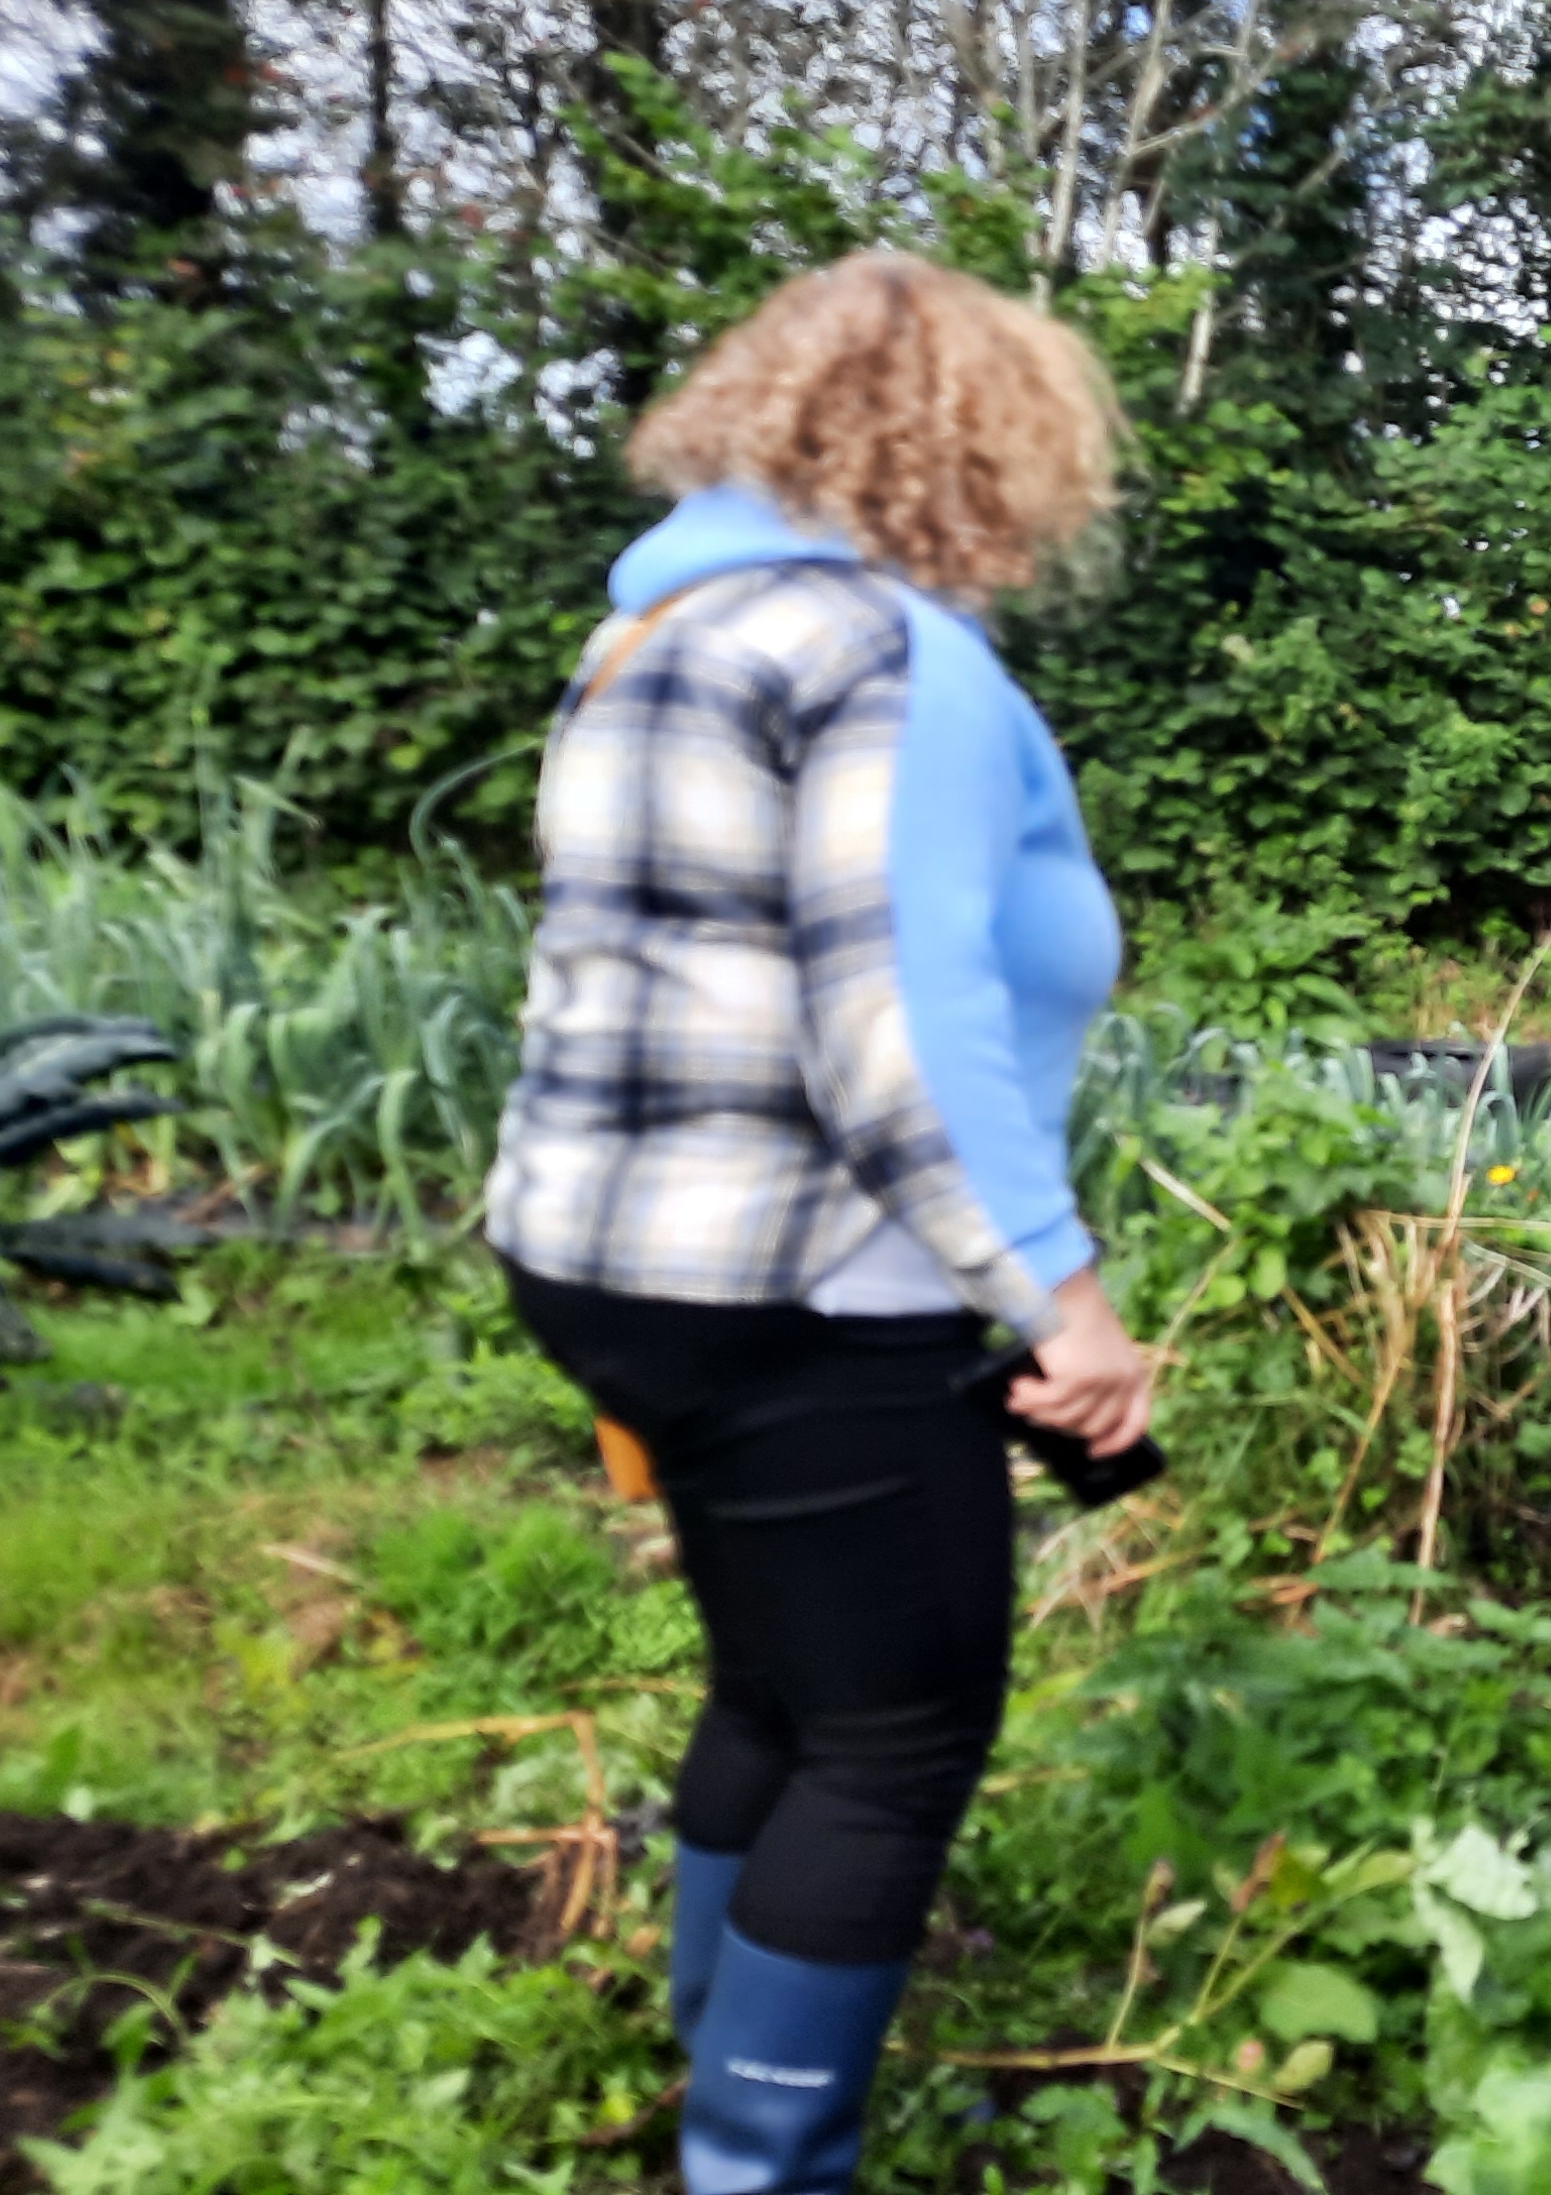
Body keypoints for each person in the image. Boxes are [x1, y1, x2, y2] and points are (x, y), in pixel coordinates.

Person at [483, 253, 1151, 2195]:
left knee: (777, 1684)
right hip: (808, 1286)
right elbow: (900, 1027)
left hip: (606, 1264)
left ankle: (721, 2067)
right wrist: (1062, 1300)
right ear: (987, 448)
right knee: (894, 1728)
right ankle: (760, 2165)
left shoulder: (658, 634)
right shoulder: (888, 656)